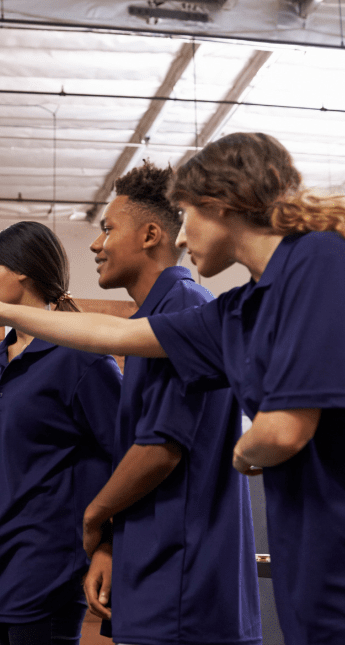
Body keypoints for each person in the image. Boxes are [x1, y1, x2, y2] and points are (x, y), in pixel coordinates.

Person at [0, 133, 345, 645]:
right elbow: (117, 332)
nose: (181, 236)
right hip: (321, 580)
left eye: (187, 217)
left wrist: (241, 451)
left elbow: (282, 431)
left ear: (223, 204)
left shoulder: (321, 259)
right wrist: (1, 309)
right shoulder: (242, 309)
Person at [82, 161, 260, 645]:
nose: (96, 245)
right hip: (154, 576)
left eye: (107, 230)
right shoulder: (153, 319)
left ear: (150, 235)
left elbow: (161, 450)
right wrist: (112, 547)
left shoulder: (185, 308)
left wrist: (94, 516)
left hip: (185, 589)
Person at [0, 221, 122, 645]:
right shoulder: (0, 357)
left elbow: (126, 459)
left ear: (22, 272)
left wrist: (107, 545)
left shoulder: (82, 359)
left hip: (45, 577)